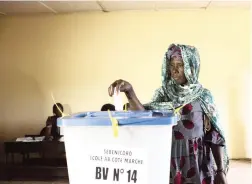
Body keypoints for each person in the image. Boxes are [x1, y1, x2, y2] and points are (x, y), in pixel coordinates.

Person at [108, 44, 229, 184]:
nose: (174, 70)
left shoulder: (203, 96)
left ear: (192, 67)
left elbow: (214, 135)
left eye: (180, 65)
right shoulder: (163, 94)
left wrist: (220, 170)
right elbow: (146, 118)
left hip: (197, 162)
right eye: (172, 65)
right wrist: (130, 92)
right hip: (168, 159)